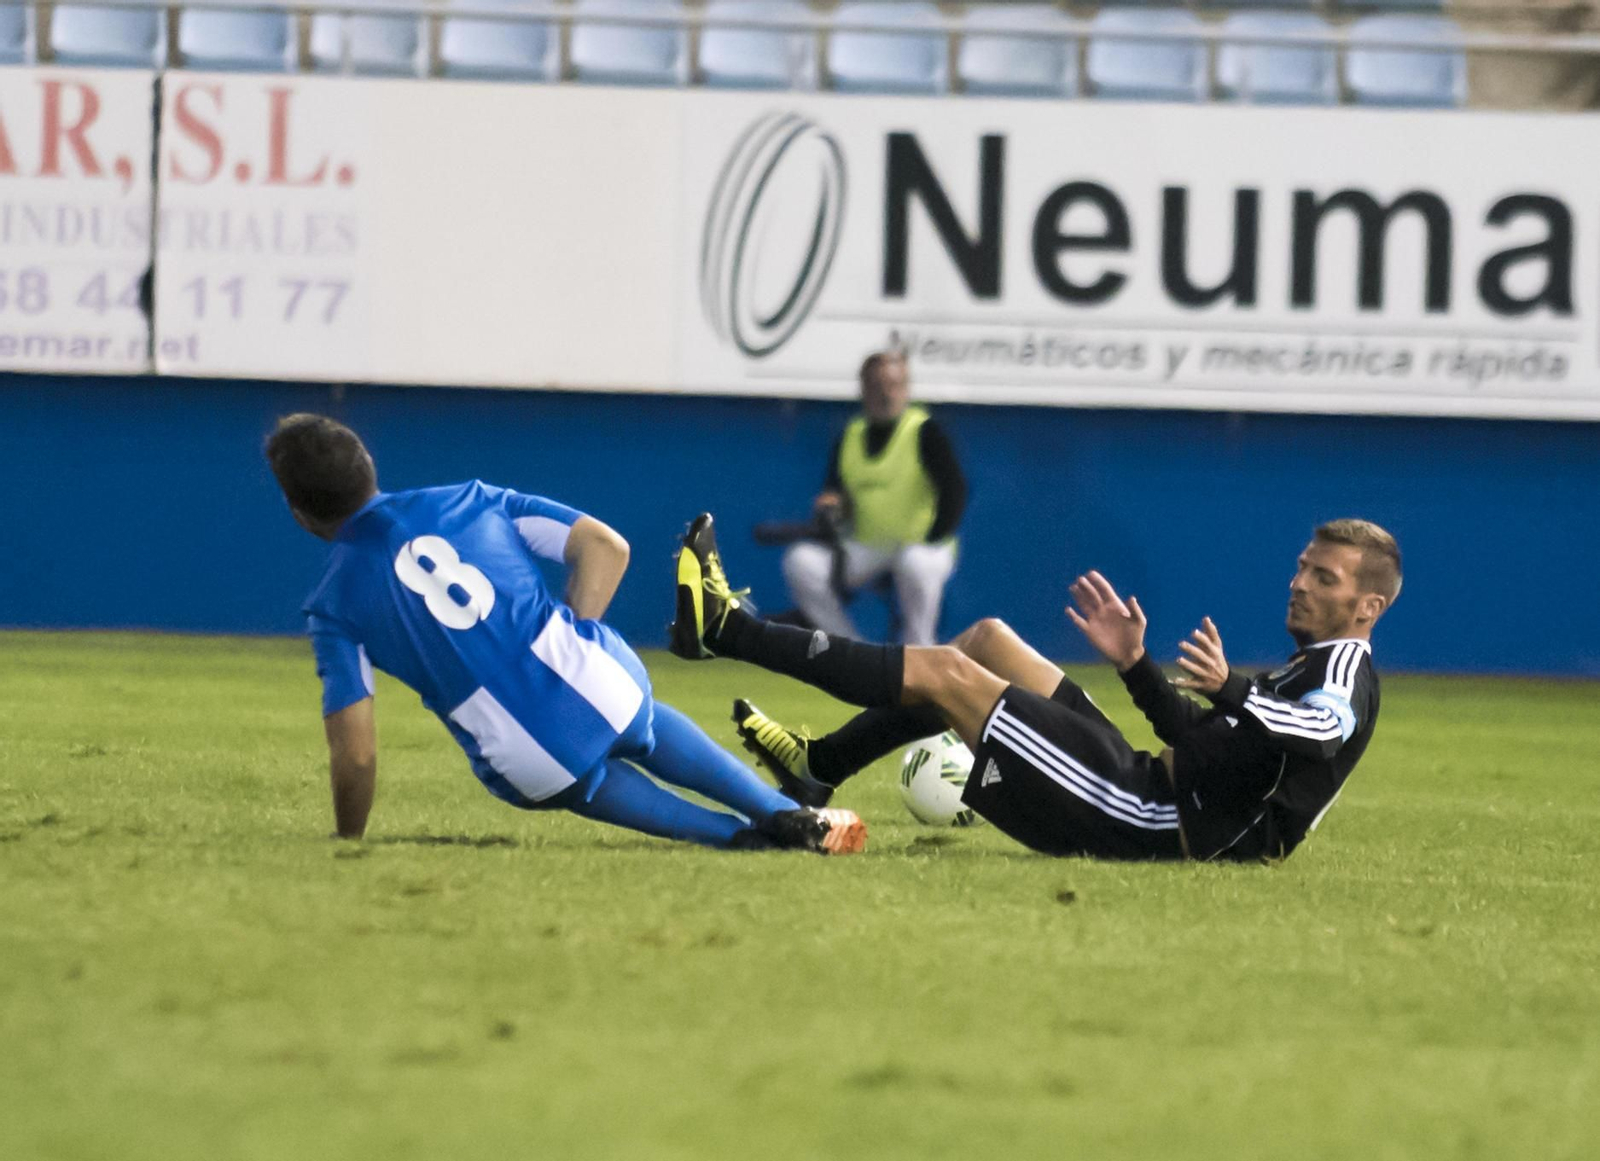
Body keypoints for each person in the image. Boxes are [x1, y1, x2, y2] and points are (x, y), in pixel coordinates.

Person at [263, 414, 865, 854]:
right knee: (647, 728)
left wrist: (347, 838)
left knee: (593, 784)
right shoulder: (471, 500)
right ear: (367, 463)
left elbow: (358, 750)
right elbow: (606, 546)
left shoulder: (333, 606)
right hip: (595, 675)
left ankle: (743, 841)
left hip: (527, 756)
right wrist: (576, 634)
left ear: (299, 511)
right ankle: (786, 812)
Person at [671, 513, 1400, 863]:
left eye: (1322, 578)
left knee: (952, 676)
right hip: (1147, 785)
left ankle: (729, 630)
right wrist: (1135, 663)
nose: (1299, 583)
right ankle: (817, 766)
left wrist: (1236, 692)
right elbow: (1188, 738)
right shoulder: (1307, 666)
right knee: (986, 640)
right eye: (1303, 566)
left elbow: (1322, 729)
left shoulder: (1339, 672)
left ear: (1367, 607)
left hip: (1142, 819)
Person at [781, 349, 965, 646]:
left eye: (894, 386)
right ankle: (846, 649)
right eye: (877, 386)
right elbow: (834, 491)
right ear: (864, 389)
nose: (886, 395)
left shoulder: (925, 431)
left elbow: (955, 489)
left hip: (921, 546)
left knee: (915, 564)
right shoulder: (851, 434)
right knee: (801, 562)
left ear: (906, 389)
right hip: (867, 546)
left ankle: (919, 654)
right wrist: (831, 511)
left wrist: (932, 536)